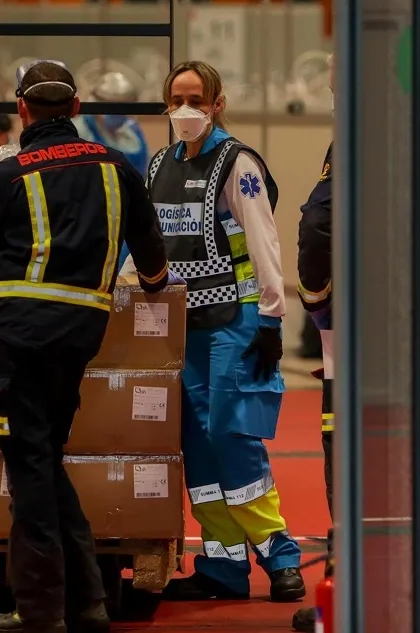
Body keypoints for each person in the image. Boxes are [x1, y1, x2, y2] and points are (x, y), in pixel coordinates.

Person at [0, 60, 183, 633]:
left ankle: (38, 611)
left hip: (20, 342)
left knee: (30, 472)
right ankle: (87, 603)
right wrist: (155, 289)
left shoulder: (9, 175)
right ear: (76, 110)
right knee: (45, 461)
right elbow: (153, 260)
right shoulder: (118, 170)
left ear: (22, 111)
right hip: (83, 337)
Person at [122, 60, 306, 602]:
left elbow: (264, 240)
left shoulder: (237, 162)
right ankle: (223, 566)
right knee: (196, 445)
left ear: (217, 103)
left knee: (232, 433)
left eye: (197, 99)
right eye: (177, 99)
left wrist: (272, 317)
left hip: (236, 317)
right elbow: (142, 241)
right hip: (180, 326)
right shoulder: (157, 166)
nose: (187, 110)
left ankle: (278, 554)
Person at [292, 54, 335, 633]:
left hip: (358, 334)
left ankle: (347, 579)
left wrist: (318, 304)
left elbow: (317, 225)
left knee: (345, 445)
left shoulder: (352, 141)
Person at [73, 71, 151, 272]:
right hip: (91, 220)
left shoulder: (132, 131)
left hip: (129, 219)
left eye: (123, 108)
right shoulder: (79, 131)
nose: (118, 114)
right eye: (112, 106)